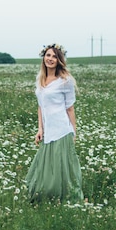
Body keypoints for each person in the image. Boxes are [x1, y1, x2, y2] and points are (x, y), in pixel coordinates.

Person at [25, 43, 84, 203]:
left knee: (63, 168)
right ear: (43, 57)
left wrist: (73, 132)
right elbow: (41, 106)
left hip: (62, 130)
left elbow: (70, 109)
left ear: (59, 60)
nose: (50, 59)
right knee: (45, 168)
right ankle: (45, 198)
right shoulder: (40, 80)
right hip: (48, 131)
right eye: (48, 55)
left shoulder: (65, 81)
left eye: (54, 56)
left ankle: (66, 198)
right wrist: (40, 129)